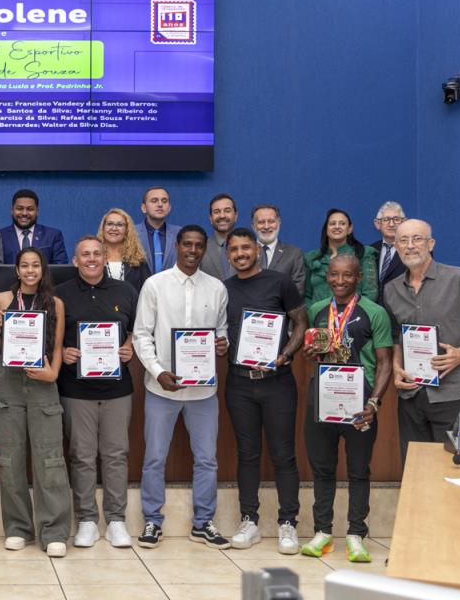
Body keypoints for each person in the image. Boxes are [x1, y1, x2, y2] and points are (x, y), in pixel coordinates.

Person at [133, 224, 231, 550]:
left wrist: (222, 343)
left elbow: (221, 332)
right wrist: (158, 371)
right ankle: (152, 520)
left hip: (203, 392)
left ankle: (203, 523)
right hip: (162, 389)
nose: (192, 250)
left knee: (207, 459)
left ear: (205, 249)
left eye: (198, 245)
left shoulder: (217, 288)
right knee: (154, 458)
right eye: (187, 244)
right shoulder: (155, 285)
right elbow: (141, 335)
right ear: (177, 246)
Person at [383, 219, 460, 463]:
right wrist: (396, 366)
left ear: (431, 244)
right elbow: (396, 333)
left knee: (455, 467)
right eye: (403, 240)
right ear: (396, 247)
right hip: (412, 393)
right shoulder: (391, 289)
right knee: (415, 467)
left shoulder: (459, 278)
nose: (410, 245)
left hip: (455, 392)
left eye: (417, 239)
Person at [301, 254, 392, 563]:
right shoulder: (316, 310)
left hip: (360, 405)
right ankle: (322, 532)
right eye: (335, 275)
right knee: (322, 469)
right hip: (322, 401)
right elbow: (314, 354)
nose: (340, 281)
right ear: (327, 276)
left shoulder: (375, 312)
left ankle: (356, 534)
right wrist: (310, 354)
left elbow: (385, 362)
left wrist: (374, 403)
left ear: (358, 278)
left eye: (347, 275)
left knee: (358, 470)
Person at [222, 228, 307, 554]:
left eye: (246, 248)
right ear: (228, 255)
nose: (240, 254)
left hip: (277, 382)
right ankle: (250, 521)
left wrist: (285, 354)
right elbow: (221, 330)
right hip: (239, 382)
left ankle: (288, 523)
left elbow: (300, 322)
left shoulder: (280, 282)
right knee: (247, 454)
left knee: (283, 454)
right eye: (234, 250)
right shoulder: (224, 289)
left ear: (257, 250)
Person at [56, 236, 138, 548]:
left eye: (96, 254)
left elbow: (138, 331)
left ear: (105, 258)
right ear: (75, 261)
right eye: (85, 254)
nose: (91, 259)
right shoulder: (61, 294)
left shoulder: (126, 291)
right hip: (75, 390)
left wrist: (129, 346)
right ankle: (87, 520)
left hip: (117, 389)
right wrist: (62, 351)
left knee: (116, 455)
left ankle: (116, 520)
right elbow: (50, 336)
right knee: (82, 456)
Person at [0, 247, 69, 557]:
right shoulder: (2, 300)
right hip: (8, 382)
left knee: (50, 459)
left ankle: (54, 531)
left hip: (43, 383)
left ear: (43, 270)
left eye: (36, 265)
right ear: (17, 270)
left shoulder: (56, 303)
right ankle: (18, 528)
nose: (30, 270)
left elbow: (58, 346)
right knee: (10, 459)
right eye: (25, 265)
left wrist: (53, 373)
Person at [303, 208, 378, 303]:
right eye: (332, 224)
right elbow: (307, 295)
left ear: (350, 229)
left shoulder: (364, 253)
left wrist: (355, 311)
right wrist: (314, 311)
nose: (337, 227)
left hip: (354, 311)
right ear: (326, 229)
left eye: (342, 224)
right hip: (318, 312)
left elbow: (370, 293)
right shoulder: (312, 257)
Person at [0, 189, 68, 265]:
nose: (24, 213)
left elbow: (60, 267)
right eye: (20, 208)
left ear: (37, 211)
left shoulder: (53, 235)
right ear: (12, 210)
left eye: (30, 209)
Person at [251, 204, 306, 295]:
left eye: (271, 221)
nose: (266, 226)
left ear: (279, 223)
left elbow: (297, 290)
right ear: (253, 226)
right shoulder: (244, 253)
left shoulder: (294, 254)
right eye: (261, 222)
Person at [97, 208, 151, 292]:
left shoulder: (138, 261)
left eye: (120, 225)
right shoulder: (94, 258)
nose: (114, 228)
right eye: (109, 224)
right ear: (103, 228)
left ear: (127, 230)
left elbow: (147, 291)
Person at [135, 186, 179, 274]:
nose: (160, 204)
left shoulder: (180, 233)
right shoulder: (131, 233)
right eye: (154, 201)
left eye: (164, 201)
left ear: (169, 208)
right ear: (144, 208)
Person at [371, 201, 407, 304]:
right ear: (377, 224)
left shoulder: (411, 250)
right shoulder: (370, 250)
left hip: (402, 309)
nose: (391, 224)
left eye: (396, 219)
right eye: (386, 219)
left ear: (404, 222)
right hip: (374, 310)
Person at [200, 193, 237, 280]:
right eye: (216, 212)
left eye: (227, 211)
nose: (222, 216)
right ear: (210, 218)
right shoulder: (201, 248)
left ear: (236, 216)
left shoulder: (253, 248)